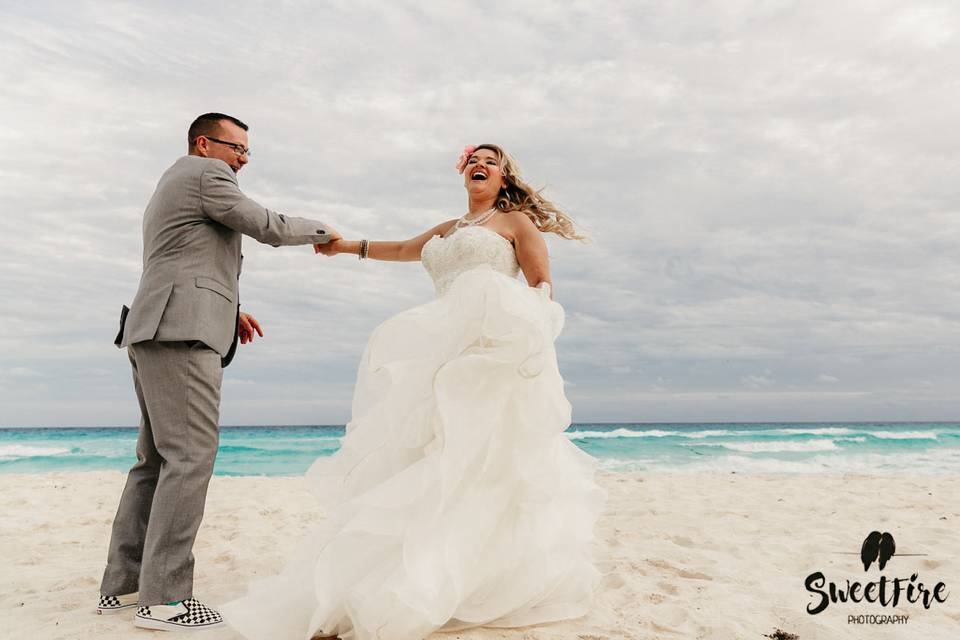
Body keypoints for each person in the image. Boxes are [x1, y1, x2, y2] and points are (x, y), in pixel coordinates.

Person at [221, 144, 606, 640]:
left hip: (489, 356)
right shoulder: (447, 230)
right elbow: (403, 249)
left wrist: (517, 338)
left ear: (503, 174)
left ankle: (476, 575)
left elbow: (541, 286)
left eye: (489, 160)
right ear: (463, 173)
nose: (479, 165)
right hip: (442, 353)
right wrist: (344, 247)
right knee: (428, 460)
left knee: (480, 463)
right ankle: (414, 572)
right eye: (472, 160)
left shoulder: (516, 224)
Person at [97, 113, 340, 632]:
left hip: (153, 327)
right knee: (189, 459)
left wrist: (230, 310)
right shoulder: (207, 174)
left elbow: (185, 257)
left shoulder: (174, 180)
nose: (243, 160)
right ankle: (164, 601)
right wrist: (324, 232)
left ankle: (122, 588)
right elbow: (266, 225)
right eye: (238, 149)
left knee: (155, 461)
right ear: (204, 143)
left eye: (247, 152)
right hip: (180, 333)